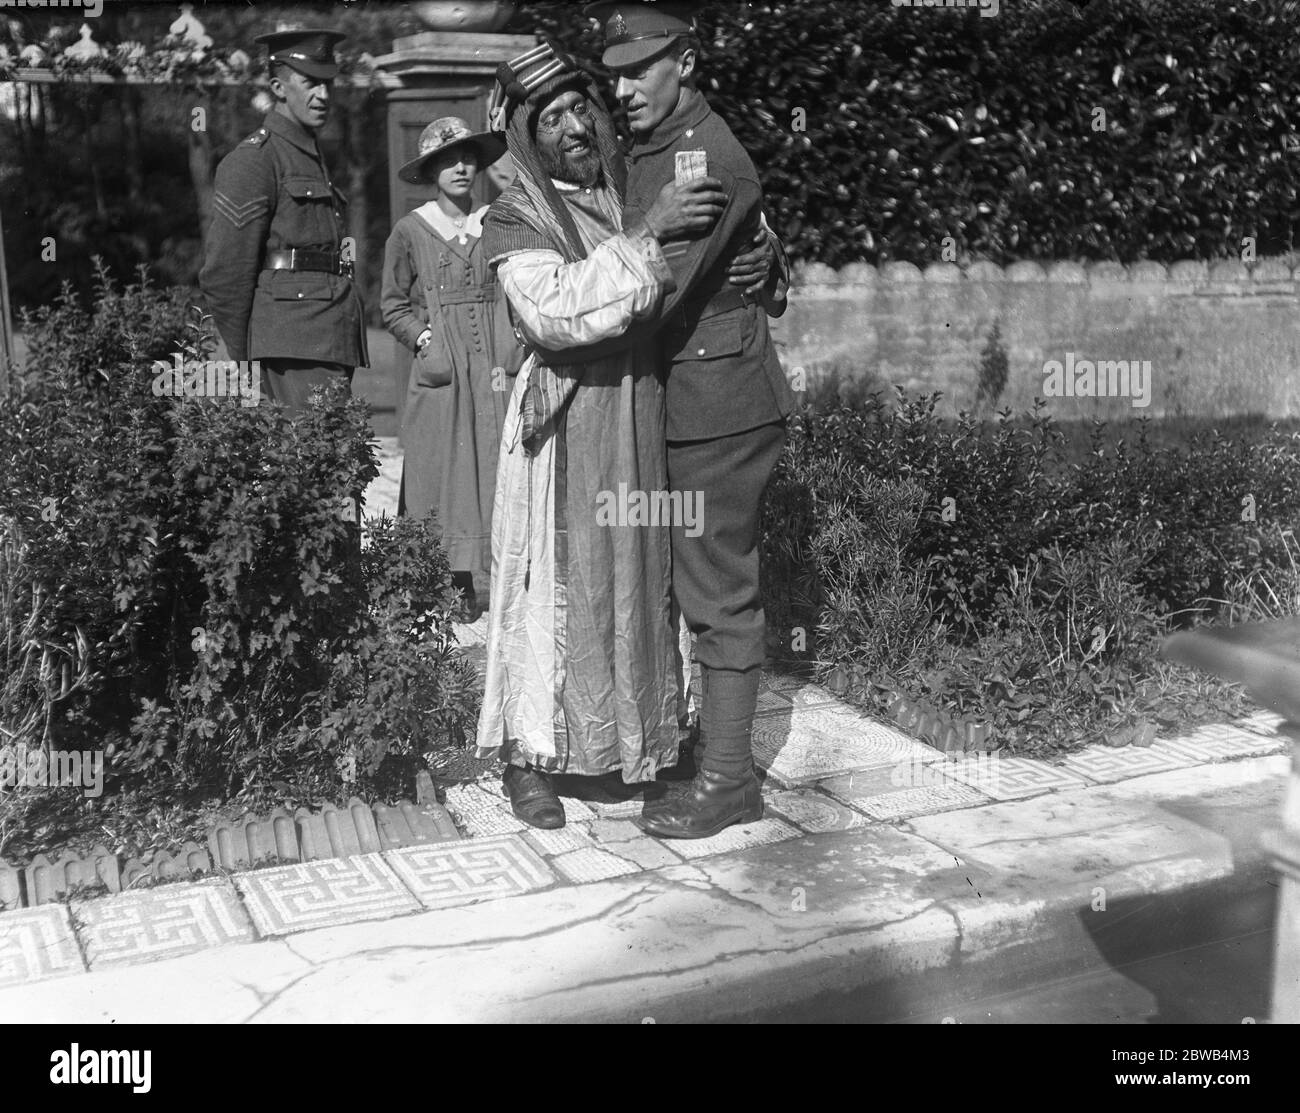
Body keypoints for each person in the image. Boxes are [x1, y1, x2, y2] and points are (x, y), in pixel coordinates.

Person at [473, 41, 735, 829]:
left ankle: (637, 743)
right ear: (527, 134)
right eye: (550, 118)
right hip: (563, 432)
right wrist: (649, 236)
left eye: (579, 107)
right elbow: (556, 312)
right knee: (550, 585)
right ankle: (532, 758)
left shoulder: (626, 188)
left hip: (635, 411)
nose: (574, 126)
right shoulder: (512, 215)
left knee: (636, 578)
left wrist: (755, 260)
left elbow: (707, 247)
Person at [586, 1, 798, 839]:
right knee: (681, 579)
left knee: (718, 590)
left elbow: (654, 293)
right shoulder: (647, 146)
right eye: (616, 72)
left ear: (688, 62)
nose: (625, 86)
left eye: (643, 68)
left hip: (719, 406)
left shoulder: (704, 160)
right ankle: (688, 749)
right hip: (684, 398)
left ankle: (728, 778)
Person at [381, 118, 517, 617]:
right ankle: (452, 582)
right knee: (443, 468)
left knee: (499, 462)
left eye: (467, 158)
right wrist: (423, 339)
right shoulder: (410, 230)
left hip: (494, 361)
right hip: (443, 366)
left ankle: (506, 580)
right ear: (431, 170)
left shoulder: (497, 220)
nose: (461, 168)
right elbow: (392, 304)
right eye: (447, 160)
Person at [199, 27, 368, 411]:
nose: (323, 96)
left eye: (328, 85)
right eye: (310, 84)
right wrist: (245, 358)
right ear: (278, 87)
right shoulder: (255, 160)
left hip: (325, 334)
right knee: (312, 459)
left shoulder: (310, 155)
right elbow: (225, 270)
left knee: (327, 459)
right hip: (291, 341)